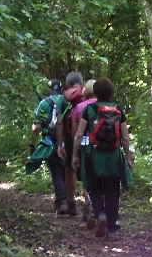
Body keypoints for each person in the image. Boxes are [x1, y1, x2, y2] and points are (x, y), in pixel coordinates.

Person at [72, 78, 134, 241]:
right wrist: (128, 155)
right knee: (113, 191)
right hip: (114, 157)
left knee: (95, 188)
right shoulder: (118, 109)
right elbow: (125, 137)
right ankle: (112, 229)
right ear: (111, 92)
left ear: (95, 92)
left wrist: (75, 155)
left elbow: (79, 135)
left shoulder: (90, 109)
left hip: (94, 156)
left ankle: (100, 214)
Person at [30, 78, 70, 214]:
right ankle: (65, 201)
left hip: (50, 142)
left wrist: (32, 144)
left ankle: (63, 201)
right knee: (66, 171)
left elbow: (36, 127)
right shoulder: (67, 102)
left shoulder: (43, 104)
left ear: (49, 89)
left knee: (56, 171)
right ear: (61, 89)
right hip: (68, 141)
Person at [67, 77, 100, 228]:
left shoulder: (79, 108)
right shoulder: (106, 106)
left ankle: (90, 203)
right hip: (103, 146)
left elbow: (76, 133)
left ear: (85, 91)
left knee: (87, 177)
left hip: (85, 146)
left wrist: (74, 153)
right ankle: (100, 208)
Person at [58, 72, 87, 218]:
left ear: (67, 84)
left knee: (69, 170)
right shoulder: (87, 93)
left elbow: (59, 122)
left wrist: (59, 143)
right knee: (88, 170)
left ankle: (71, 203)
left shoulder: (64, 98)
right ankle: (89, 204)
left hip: (70, 138)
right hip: (87, 138)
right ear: (82, 82)